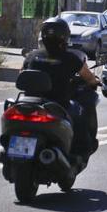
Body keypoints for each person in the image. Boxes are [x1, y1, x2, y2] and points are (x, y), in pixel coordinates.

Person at [22, 17, 100, 159]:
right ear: (64, 36)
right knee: (80, 118)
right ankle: (80, 153)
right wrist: (94, 82)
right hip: (58, 104)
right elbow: (89, 78)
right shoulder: (70, 58)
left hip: (29, 103)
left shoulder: (32, 56)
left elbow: (21, 74)